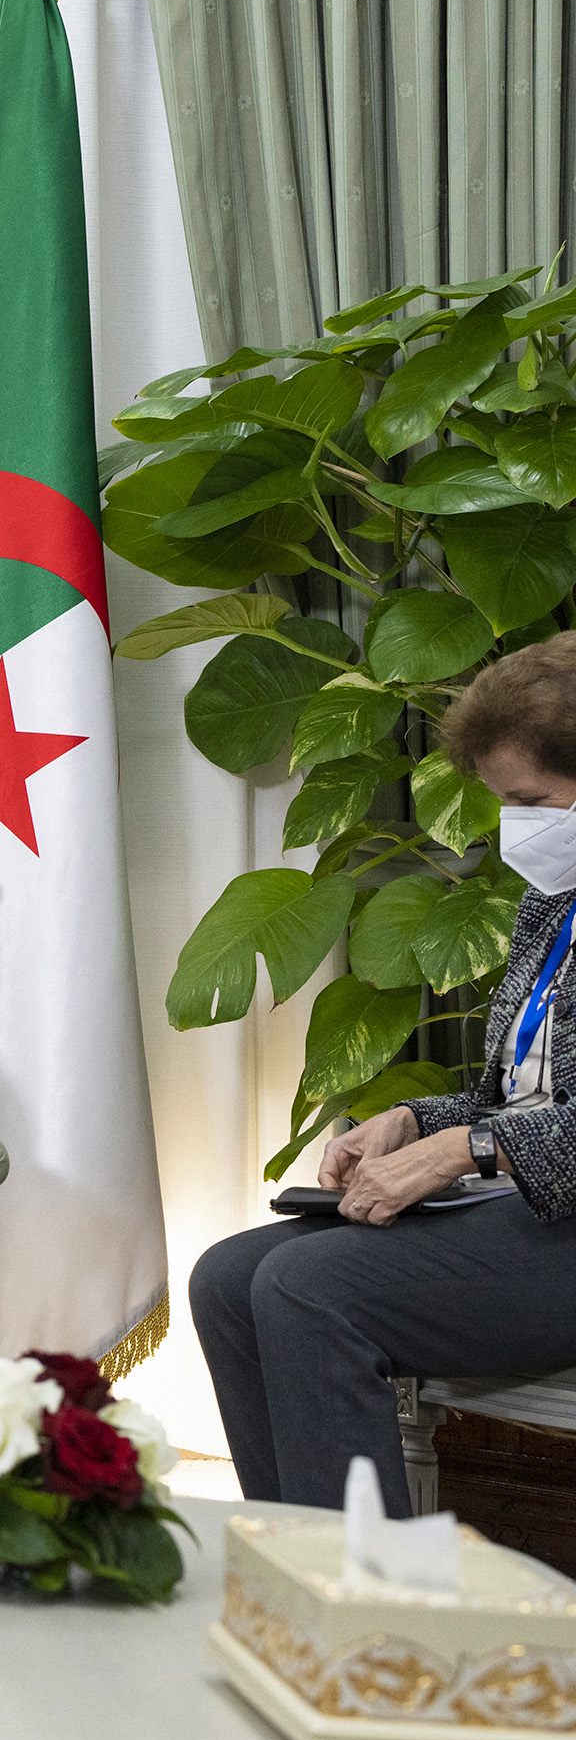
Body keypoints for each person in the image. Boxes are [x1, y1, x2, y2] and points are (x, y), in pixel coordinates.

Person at [195, 630, 576, 1517]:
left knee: (306, 1288)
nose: (517, 826)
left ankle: (375, 1617)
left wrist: (462, 1152)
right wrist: (414, 1123)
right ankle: (296, 1568)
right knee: (224, 1279)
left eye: (534, 800)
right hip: (531, 1211)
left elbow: (509, 1128)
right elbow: (520, 1091)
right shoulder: (552, 900)